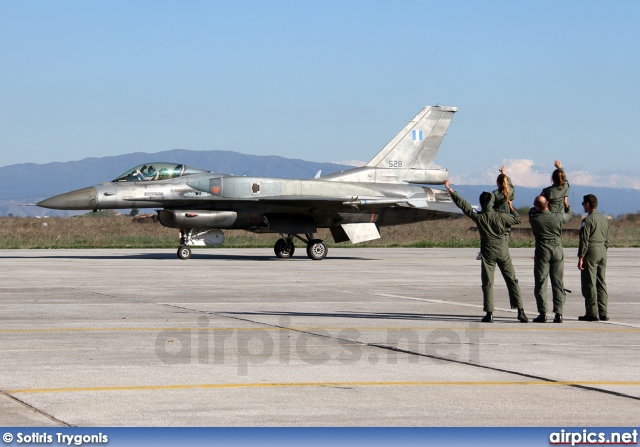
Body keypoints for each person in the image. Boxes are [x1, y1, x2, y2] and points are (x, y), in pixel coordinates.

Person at [444, 180, 528, 323]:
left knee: (488, 283)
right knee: (512, 280)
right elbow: (517, 220)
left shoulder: (479, 217)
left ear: (482, 203)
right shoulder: (501, 216)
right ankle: (520, 311)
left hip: (488, 252)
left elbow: (464, 206)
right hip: (503, 251)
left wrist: (451, 191)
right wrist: (512, 209)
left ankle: (489, 313)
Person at [529, 196, 572, 323]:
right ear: (547, 203)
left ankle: (542, 313)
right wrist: (566, 204)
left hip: (542, 249)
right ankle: (559, 313)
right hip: (557, 248)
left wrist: (544, 201)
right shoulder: (558, 216)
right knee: (558, 282)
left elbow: (532, 209)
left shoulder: (534, 217)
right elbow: (569, 215)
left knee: (541, 281)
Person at [577, 194, 610, 321]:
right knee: (601, 282)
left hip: (591, 251)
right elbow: (607, 239)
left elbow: (584, 240)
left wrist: (581, 257)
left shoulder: (587, 220)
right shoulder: (604, 219)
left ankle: (591, 312)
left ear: (587, 204)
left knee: (589, 282)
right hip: (602, 250)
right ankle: (603, 312)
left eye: (583, 204)